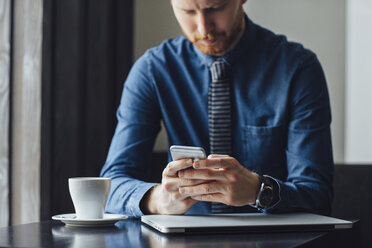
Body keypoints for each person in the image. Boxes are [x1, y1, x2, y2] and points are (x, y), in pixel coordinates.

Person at [100, 0, 334, 217]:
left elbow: (317, 194)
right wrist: (157, 199)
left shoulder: (298, 69)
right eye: (188, 11)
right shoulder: (152, 71)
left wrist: (259, 191)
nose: (203, 28)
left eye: (215, 8)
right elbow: (110, 185)